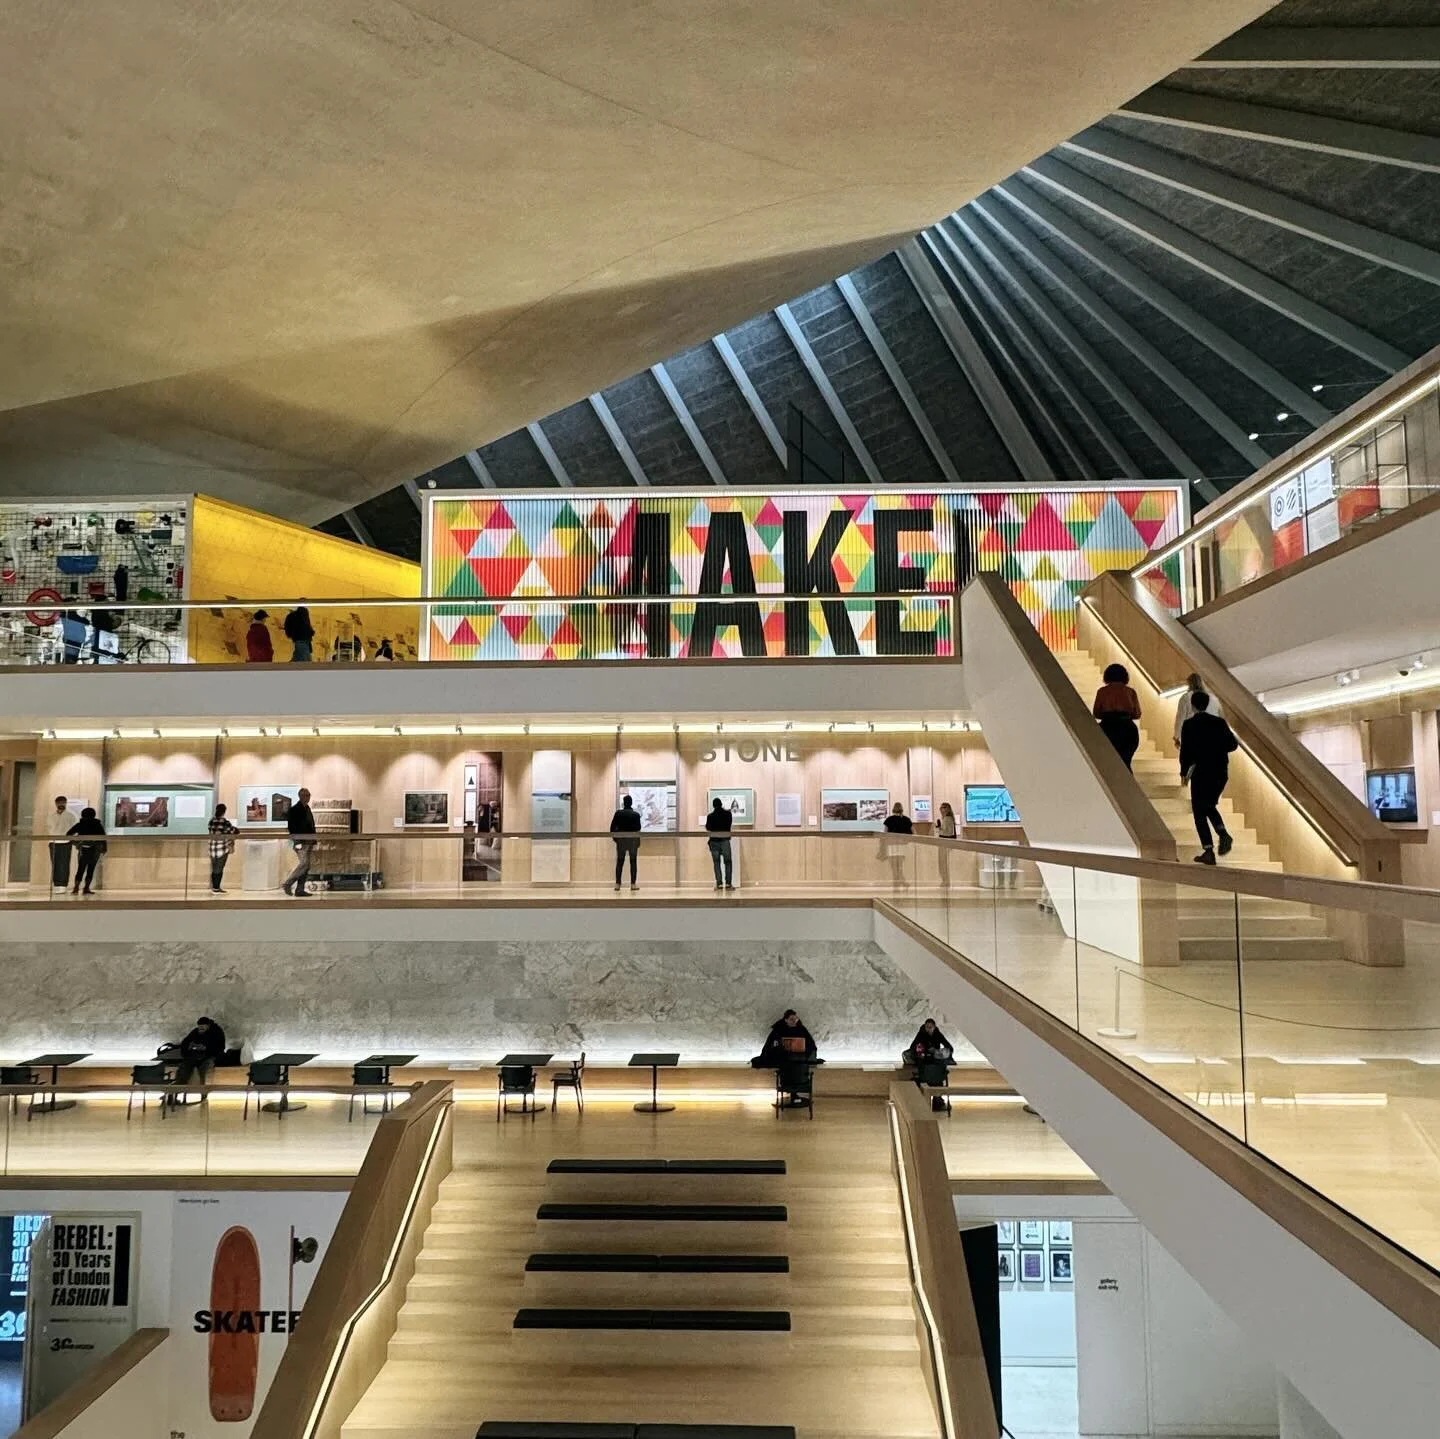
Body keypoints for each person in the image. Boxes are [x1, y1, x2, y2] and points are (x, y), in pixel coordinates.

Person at [1179, 692, 1239, 865]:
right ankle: (1222, 833)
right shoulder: (1219, 723)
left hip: (1201, 771)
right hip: (1220, 771)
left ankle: (1209, 850)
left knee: (1199, 811)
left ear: (1192, 705)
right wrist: (1216, 747)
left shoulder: (1189, 725)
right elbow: (1233, 745)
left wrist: (1183, 772)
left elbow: (1186, 751)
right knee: (1208, 805)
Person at [158, 1015, 227, 1101]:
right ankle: (173, 1091)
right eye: (199, 1027)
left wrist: (206, 1048)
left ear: (208, 1026)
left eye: (203, 1027)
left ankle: (203, 1092)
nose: (200, 1029)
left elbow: (220, 1047)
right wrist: (190, 1047)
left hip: (209, 1056)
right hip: (194, 1056)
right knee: (183, 1069)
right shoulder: (196, 1031)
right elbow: (185, 1042)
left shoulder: (217, 1032)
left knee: (204, 1070)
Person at [1093, 662, 1142, 770]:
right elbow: (1137, 714)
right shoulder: (1130, 692)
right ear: (1125, 676)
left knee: (1109, 764)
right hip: (1127, 729)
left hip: (1107, 728)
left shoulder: (1102, 692)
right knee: (1125, 763)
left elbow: (1096, 713)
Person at [905, 1018, 955, 1101]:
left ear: (934, 1027)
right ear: (924, 1027)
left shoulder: (937, 1034)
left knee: (938, 1073)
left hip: (935, 1059)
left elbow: (949, 1047)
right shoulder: (921, 1034)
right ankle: (924, 1096)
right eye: (927, 1027)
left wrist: (939, 1052)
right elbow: (912, 1047)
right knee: (925, 1072)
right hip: (923, 1059)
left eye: (930, 1027)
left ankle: (937, 1099)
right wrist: (923, 1050)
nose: (929, 1029)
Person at [283, 786, 317, 896]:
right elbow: (292, 827)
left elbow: (311, 825)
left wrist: (313, 839)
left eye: (309, 795)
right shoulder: (294, 810)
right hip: (301, 841)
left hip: (309, 841)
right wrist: (297, 841)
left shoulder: (307, 809)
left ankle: (300, 889)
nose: (308, 797)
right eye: (306, 795)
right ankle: (288, 883)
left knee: (306, 866)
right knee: (304, 864)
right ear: (301, 796)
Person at [753, 1010, 817, 1067]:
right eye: (791, 1019)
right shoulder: (778, 1029)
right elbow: (770, 1044)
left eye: (796, 1019)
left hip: (799, 1056)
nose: (794, 1021)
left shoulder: (801, 1029)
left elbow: (810, 1043)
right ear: (786, 1020)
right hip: (782, 1056)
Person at [1172, 672, 1221, 747]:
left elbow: (1180, 718)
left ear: (1189, 684)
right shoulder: (1212, 698)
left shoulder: (1185, 697)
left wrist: (1176, 737)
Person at [66, 807, 106, 896]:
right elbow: (103, 837)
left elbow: (68, 834)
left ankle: (76, 888)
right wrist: (104, 848)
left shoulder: (80, 824)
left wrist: (77, 843)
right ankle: (86, 888)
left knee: (81, 868)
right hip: (95, 849)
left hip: (83, 849)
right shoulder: (97, 824)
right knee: (90, 869)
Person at [609, 794, 642, 891]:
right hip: (633, 841)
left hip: (621, 841)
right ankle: (633, 884)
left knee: (620, 862)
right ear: (631, 803)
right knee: (633, 862)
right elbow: (638, 828)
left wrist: (616, 839)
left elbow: (612, 828)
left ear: (624, 803)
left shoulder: (618, 813)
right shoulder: (636, 815)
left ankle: (618, 884)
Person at [47, 794, 78, 890]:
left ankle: (63, 884)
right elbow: (49, 828)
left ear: (65, 803)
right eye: (59, 802)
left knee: (64, 864)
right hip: (53, 842)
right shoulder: (51, 816)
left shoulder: (71, 816)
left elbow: (75, 828)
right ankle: (56, 884)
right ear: (56, 804)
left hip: (66, 842)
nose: (61, 804)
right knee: (55, 863)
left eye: (63, 802)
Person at [208, 802, 239, 893]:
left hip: (212, 847)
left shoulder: (211, 821)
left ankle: (214, 887)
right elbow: (234, 831)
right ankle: (217, 888)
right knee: (220, 868)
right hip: (222, 848)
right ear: (224, 812)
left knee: (214, 868)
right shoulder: (225, 822)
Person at [705, 797, 735, 891]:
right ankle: (729, 883)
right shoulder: (728, 814)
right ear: (721, 804)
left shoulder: (710, 816)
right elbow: (729, 825)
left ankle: (719, 883)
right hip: (725, 840)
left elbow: (708, 827)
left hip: (714, 841)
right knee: (728, 862)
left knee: (716, 863)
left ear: (713, 805)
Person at [883, 802, 913, 887]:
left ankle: (897, 882)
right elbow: (912, 833)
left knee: (893, 866)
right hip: (902, 846)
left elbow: (885, 833)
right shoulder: (907, 820)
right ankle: (901, 881)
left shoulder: (889, 820)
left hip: (892, 845)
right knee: (900, 865)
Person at [936, 800, 957, 886]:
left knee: (943, 863)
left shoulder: (947, 819)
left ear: (947, 809)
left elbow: (947, 832)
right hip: (944, 843)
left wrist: (939, 828)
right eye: (941, 808)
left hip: (944, 843)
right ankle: (945, 880)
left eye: (943, 807)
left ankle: (945, 880)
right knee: (943, 863)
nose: (941, 809)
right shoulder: (947, 818)